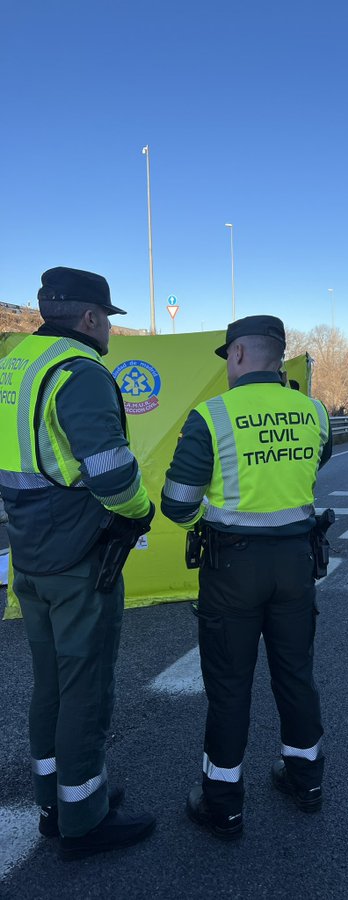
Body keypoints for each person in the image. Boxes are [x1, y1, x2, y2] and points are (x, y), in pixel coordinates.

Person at [0, 267, 156, 860]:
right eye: (109, 320)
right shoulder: (79, 373)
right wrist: (139, 513)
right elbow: (113, 473)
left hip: (28, 550)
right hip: (77, 556)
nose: (110, 331)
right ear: (90, 318)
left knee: (49, 686)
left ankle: (51, 804)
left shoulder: (12, 364)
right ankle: (84, 818)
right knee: (84, 687)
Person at [161, 315, 332, 840]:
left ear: (237, 355)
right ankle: (305, 781)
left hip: (231, 568)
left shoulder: (211, 416)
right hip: (297, 566)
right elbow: (313, 464)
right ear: (278, 357)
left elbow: (177, 503)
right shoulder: (314, 412)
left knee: (230, 687)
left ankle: (223, 804)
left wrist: (207, 526)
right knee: (295, 675)